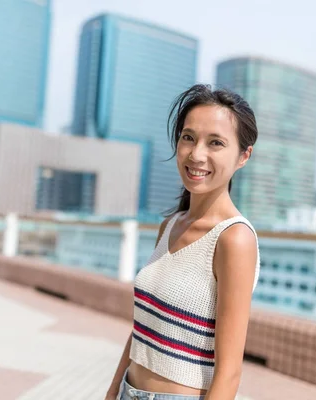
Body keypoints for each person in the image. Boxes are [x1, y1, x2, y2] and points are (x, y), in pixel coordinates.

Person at [105, 84, 260, 400]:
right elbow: (141, 330)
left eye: (215, 143)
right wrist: (112, 393)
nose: (196, 154)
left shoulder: (234, 239)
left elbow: (229, 373)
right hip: (128, 391)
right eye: (188, 137)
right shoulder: (170, 225)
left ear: (243, 156)